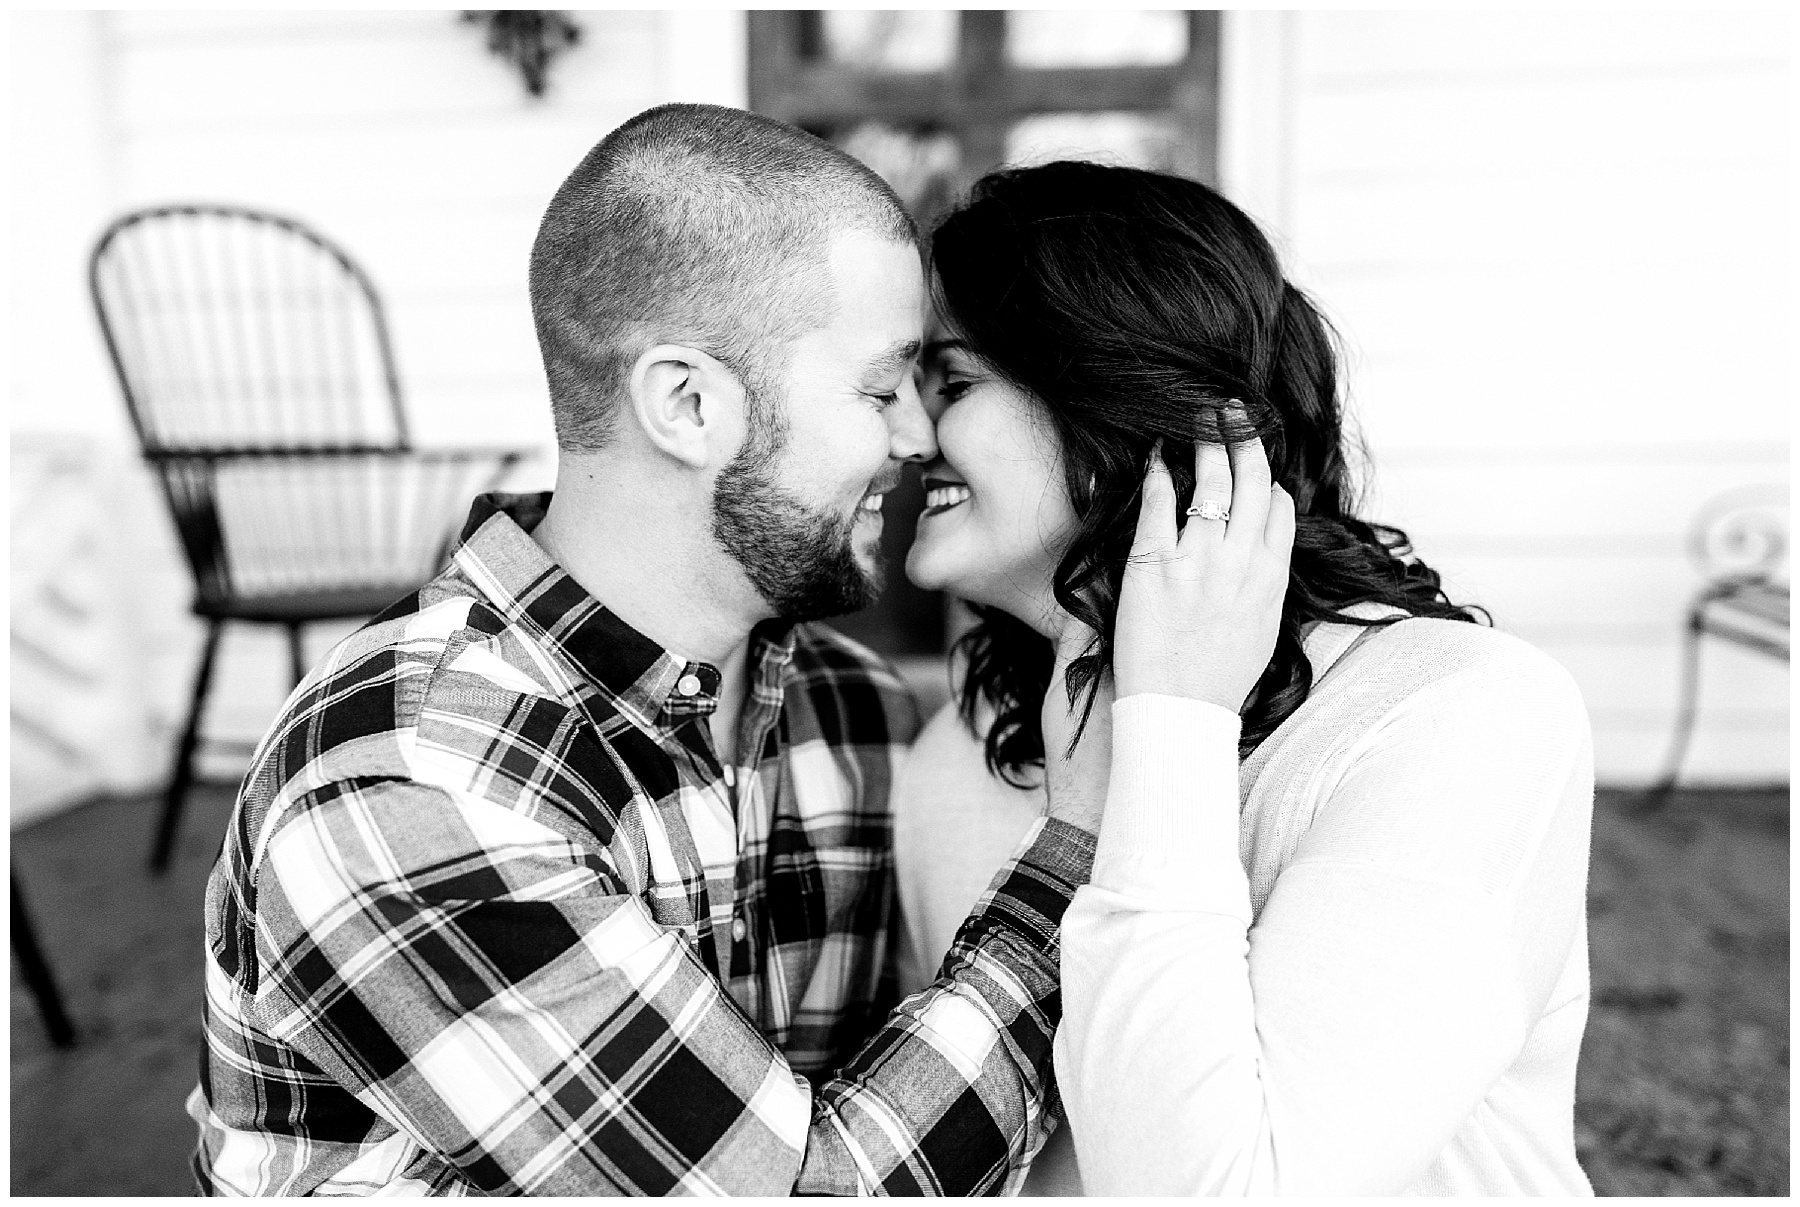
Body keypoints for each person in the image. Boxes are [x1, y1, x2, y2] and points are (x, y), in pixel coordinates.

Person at [186, 104, 1101, 1196]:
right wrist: (1075, 858)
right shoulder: (412, 778)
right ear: (687, 404)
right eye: (879, 387)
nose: (918, 436)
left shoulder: (852, 711)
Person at [894, 160, 1595, 1195]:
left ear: (1114, 391)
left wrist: (1168, 733)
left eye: (950, 383)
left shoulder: (1459, 715)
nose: (903, 435)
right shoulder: (962, 750)